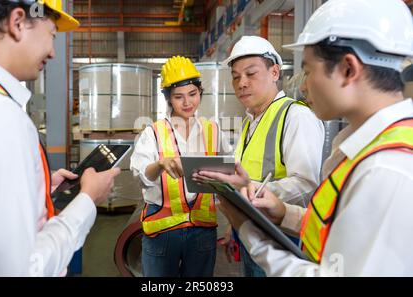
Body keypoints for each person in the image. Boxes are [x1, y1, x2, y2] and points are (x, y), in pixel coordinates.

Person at [218, 0, 413, 276]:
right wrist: (285, 213)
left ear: (348, 69)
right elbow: (338, 227)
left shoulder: (387, 169)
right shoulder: (367, 149)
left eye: (308, 71)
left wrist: (251, 232)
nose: (304, 85)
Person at [0, 0, 120, 276]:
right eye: (52, 35)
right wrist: (86, 199)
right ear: (18, 22)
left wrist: (37, 189)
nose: (53, 53)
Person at [194, 36, 325, 276]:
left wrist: (250, 192)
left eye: (250, 74)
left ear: (274, 72)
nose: (241, 83)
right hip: (252, 231)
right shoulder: (250, 121)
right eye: (235, 76)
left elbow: (306, 184)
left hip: (283, 238)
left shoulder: (295, 116)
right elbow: (246, 172)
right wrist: (235, 224)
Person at [130, 56, 232, 277]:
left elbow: (230, 174)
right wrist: (159, 164)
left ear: (200, 93)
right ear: (168, 99)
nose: (187, 103)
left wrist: (233, 220)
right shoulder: (154, 133)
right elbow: (140, 174)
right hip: (163, 233)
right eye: (179, 97)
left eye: (193, 94)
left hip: (202, 231)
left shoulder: (213, 130)